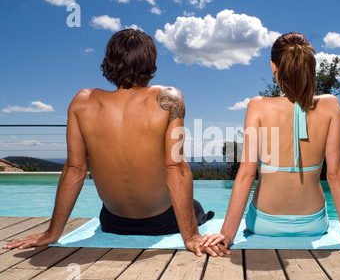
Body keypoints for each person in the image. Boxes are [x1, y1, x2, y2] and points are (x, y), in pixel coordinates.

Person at [3, 29, 221, 257]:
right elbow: (175, 166)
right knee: (194, 206)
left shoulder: (82, 102)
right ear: (150, 62)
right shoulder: (169, 98)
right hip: (162, 224)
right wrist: (191, 236)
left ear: (110, 62)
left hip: (114, 223)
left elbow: (75, 169)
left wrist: (52, 232)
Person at [202, 33, 340, 253]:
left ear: (273, 67)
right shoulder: (331, 106)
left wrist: (227, 235)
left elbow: (247, 175)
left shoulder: (258, 106)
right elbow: (336, 174)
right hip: (314, 224)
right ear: (310, 68)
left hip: (264, 223)